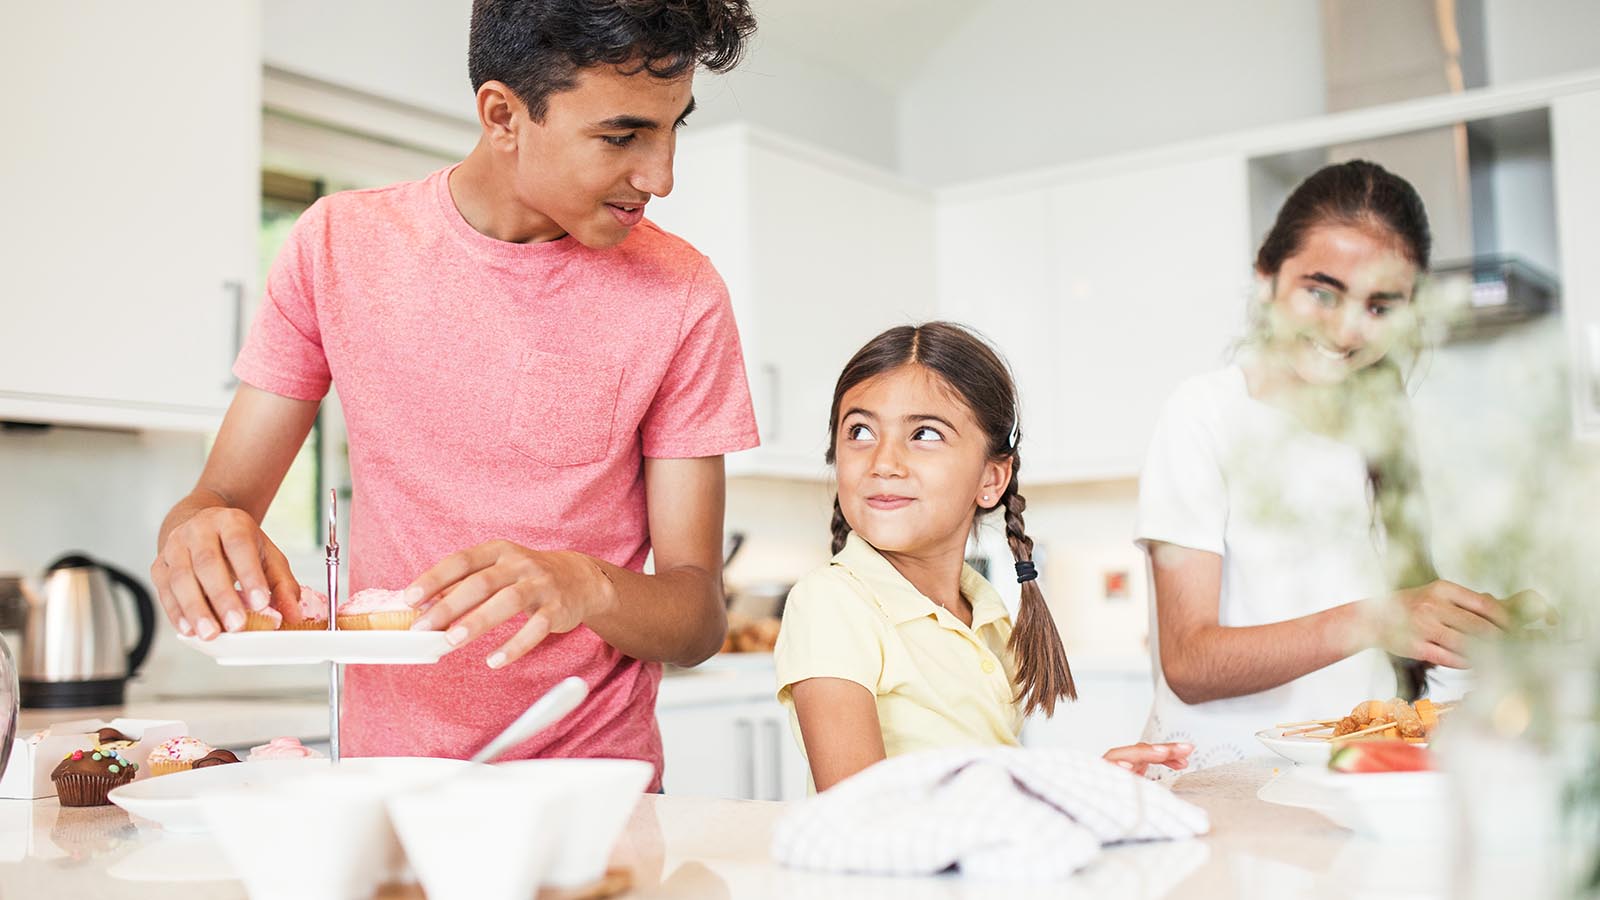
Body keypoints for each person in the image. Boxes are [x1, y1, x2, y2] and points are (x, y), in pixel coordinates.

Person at [150, 0, 760, 788]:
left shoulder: (683, 293)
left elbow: (697, 619)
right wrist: (197, 533)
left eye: (674, 126)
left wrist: (586, 583)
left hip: (595, 790)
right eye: (622, 136)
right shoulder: (336, 248)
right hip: (386, 788)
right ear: (503, 114)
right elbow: (219, 499)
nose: (662, 176)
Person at [1136, 160, 1510, 770]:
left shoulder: (1391, 434)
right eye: (1321, 291)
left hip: (1350, 778)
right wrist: (1382, 618)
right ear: (1266, 278)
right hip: (1217, 786)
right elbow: (1189, 664)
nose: (1345, 328)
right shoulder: (1204, 413)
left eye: (1381, 305)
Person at [775, 322, 1192, 792]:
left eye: (925, 434)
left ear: (991, 480)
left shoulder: (985, 612)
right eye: (860, 430)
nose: (883, 462)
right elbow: (862, 812)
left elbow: (986, 788)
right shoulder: (831, 603)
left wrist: (1079, 786)